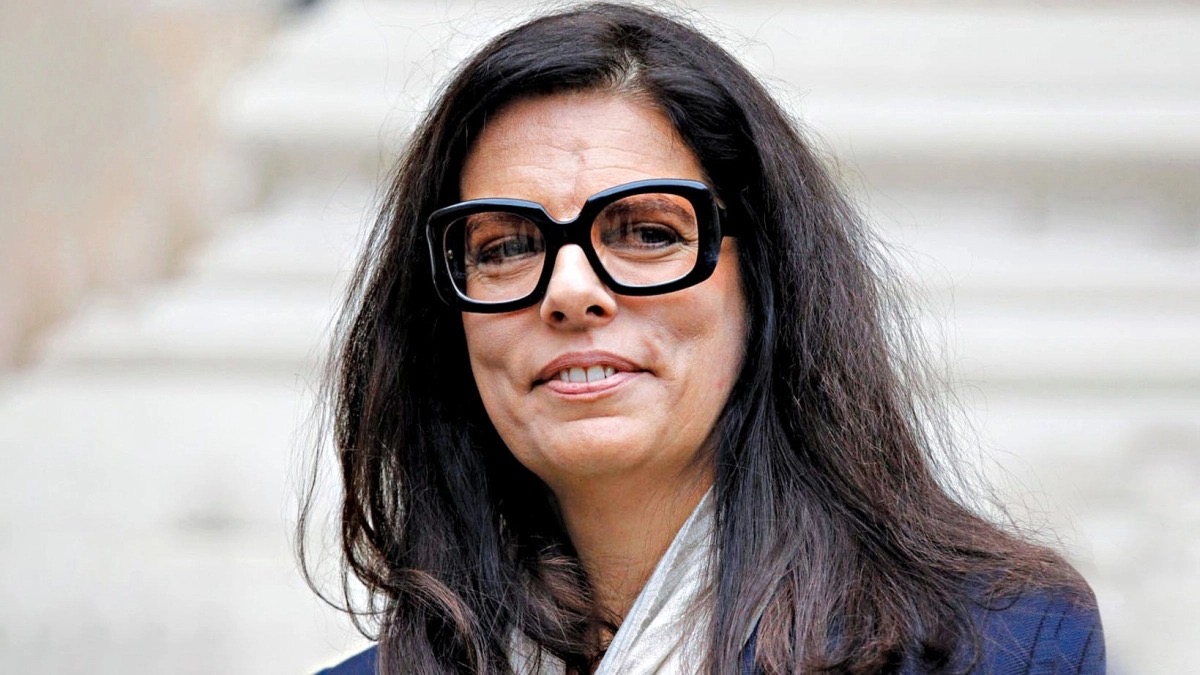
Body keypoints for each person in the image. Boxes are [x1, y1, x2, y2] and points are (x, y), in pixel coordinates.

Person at [300, 3, 1105, 673]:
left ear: (764, 279)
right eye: (506, 246)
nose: (570, 291)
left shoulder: (999, 645)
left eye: (648, 232)